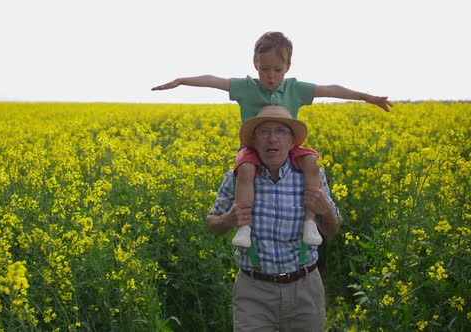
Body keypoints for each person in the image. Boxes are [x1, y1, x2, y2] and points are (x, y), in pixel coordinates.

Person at [152, 31, 391, 249]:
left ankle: (310, 222)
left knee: (311, 165)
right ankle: (244, 228)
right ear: (255, 64)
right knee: (245, 169)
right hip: (253, 150)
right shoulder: (246, 87)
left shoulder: (295, 89)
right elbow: (212, 80)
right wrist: (181, 80)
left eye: (277, 70)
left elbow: (333, 89)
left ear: (287, 67)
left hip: (289, 148)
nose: (270, 76)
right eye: (264, 69)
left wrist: (367, 97)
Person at [206, 105, 342, 331]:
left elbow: (332, 229)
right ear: (254, 141)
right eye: (264, 132)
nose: (272, 139)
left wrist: (326, 210)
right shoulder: (238, 176)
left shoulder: (312, 176)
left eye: (281, 131)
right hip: (253, 290)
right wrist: (227, 220)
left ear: (292, 142)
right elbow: (213, 223)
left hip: (305, 287)